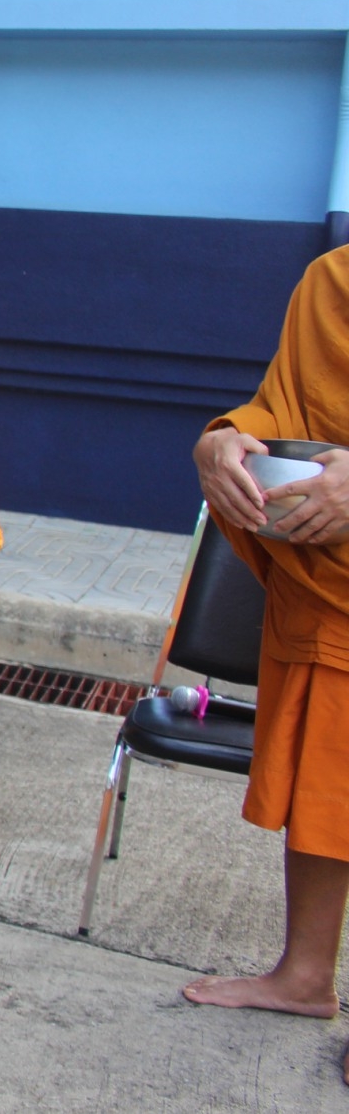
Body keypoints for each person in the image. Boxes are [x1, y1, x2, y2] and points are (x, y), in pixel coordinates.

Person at [185, 247, 349, 1088]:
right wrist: (222, 444)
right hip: (327, 582)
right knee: (328, 786)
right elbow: (276, 410)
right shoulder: (331, 283)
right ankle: (304, 975)